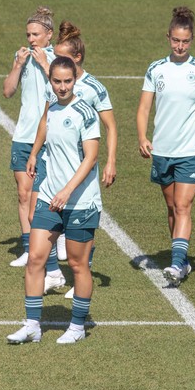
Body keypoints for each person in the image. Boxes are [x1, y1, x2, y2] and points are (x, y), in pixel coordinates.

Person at [7, 56, 102, 344]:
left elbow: (91, 157)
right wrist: (35, 152)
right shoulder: (52, 103)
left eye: (67, 81)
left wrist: (67, 191)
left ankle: (76, 327)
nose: (62, 87)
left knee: (77, 264)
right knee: (35, 259)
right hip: (50, 197)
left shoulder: (86, 113)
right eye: (57, 81)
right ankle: (33, 325)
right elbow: (45, 125)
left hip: (80, 202)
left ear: (75, 80)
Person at [137, 7, 195, 287]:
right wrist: (142, 137)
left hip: (191, 150)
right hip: (162, 150)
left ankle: (176, 262)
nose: (180, 46)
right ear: (168, 37)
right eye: (175, 40)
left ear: (192, 39)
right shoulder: (156, 69)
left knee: (183, 205)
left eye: (185, 41)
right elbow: (143, 108)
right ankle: (183, 259)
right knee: (172, 207)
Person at [45, 20, 118, 298]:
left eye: (61, 57)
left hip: (82, 169)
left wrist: (110, 161)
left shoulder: (93, 88)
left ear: (76, 58)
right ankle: (53, 273)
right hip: (53, 164)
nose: (56, 62)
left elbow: (110, 126)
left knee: (82, 221)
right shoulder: (55, 83)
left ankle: (80, 276)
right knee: (41, 215)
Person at [2, 7, 55, 268]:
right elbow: (8, 91)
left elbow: (63, 89)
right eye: (28, 34)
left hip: (49, 139)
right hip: (23, 135)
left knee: (43, 197)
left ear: (49, 35)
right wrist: (17, 66)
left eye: (36, 34)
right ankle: (27, 247)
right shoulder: (21, 57)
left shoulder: (59, 59)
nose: (31, 39)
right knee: (23, 195)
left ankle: (53, 244)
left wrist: (46, 65)